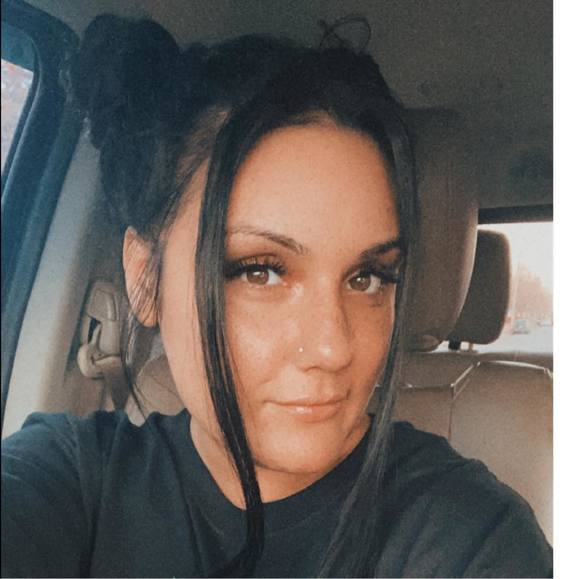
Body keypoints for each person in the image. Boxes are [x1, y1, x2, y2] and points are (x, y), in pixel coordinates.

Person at [1, 14, 552, 579]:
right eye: (260, 272)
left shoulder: (472, 539)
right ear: (145, 277)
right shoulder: (67, 478)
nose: (334, 349)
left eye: (368, 277)